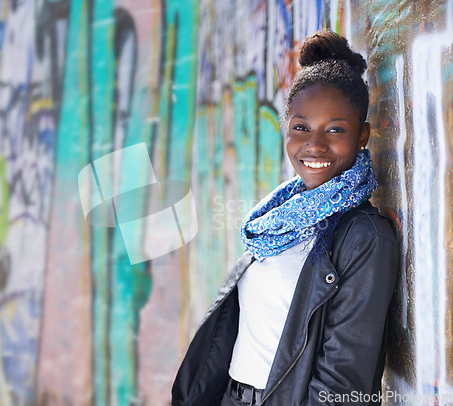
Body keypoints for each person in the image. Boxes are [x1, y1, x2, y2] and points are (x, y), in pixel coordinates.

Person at [171, 29, 399, 406]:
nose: (315, 144)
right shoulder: (276, 219)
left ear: (362, 137)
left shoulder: (366, 238)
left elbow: (343, 382)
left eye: (336, 129)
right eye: (301, 127)